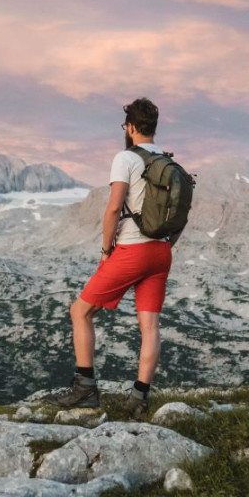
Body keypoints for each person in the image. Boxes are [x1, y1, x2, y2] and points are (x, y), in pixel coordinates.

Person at [54, 98, 180, 419]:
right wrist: (164, 245)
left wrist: (107, 248)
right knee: (149, 325)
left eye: (126, 125)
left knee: (80, 311)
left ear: (131, 127)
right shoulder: (168, 162)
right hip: (161, 251)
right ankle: (139, 398)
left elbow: (113, 207)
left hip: (132, 249)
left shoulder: (126, 158)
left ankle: (85, 388)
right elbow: (180, 215)